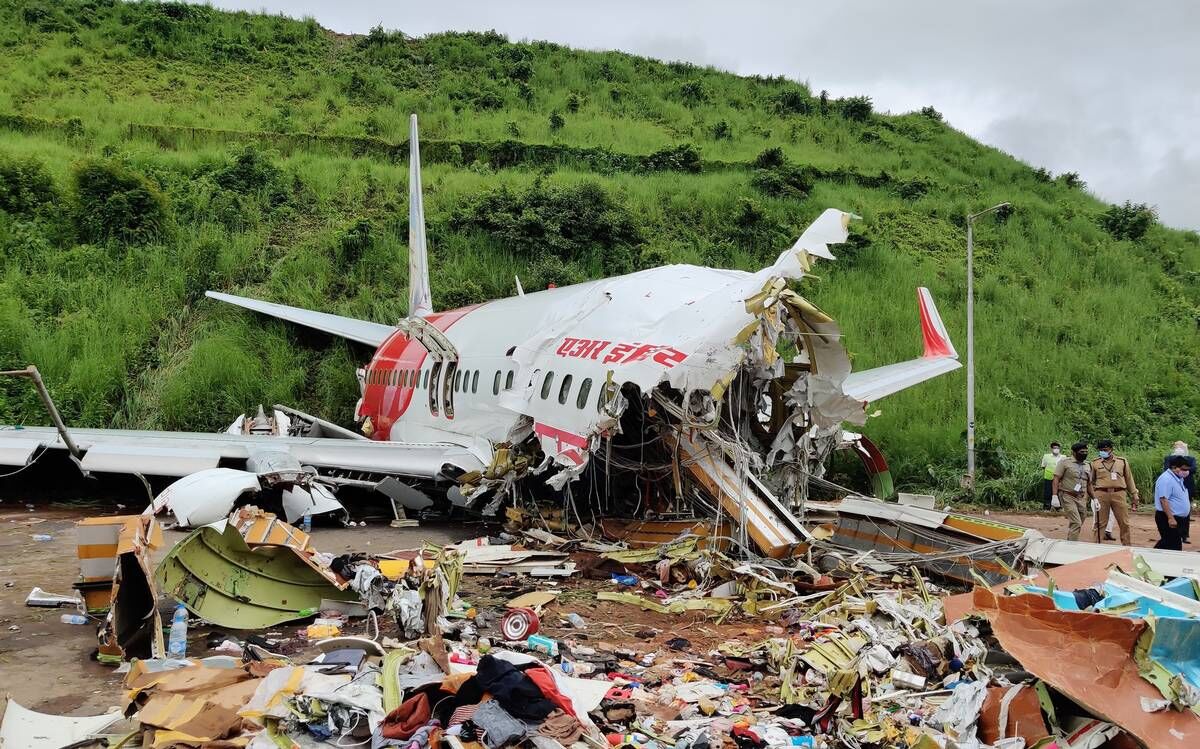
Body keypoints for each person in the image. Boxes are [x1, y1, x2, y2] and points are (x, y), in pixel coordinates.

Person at [1089, 439, 1139, 545]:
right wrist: (1092, 496)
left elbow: (1129, 479)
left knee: (1124, 522)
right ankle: (1096, 545)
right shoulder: (1095, 463)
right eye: (1101, 450)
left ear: (1111, 449)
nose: (1103, 452)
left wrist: (1134, 494)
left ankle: (1126, 546)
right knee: (1100, 523)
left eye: (1105, 449)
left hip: (1119, 493)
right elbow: (1090, 481)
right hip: (1101, 493)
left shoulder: (1122, 462)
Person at [1052, 442, 1095, 541]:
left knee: (1081, 519)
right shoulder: (1065, 462)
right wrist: (1054, 496)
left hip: (1082, 497)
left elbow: (1089, 483)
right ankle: (1071, 545)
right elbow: (1056, 478)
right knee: (1076, 522)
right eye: (1081, 452)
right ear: (1074, 452)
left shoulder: (1088, 465)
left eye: (1086, 451)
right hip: (1068, 495)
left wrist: (1094, 498)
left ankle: (1070, 539)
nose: (1084, 453)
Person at [1153, 456, 1192, 550]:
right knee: (1173, 544)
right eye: (1184, 469)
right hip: (1167, 517)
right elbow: (1163, 499)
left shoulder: (1178, 478)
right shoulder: (1166, 479)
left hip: (1178, 518)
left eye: (1187, 469)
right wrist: (1170, 518)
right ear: (1174, 467)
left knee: (1168, 542)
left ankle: (1151, 556)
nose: (1186, 472)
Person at [1163, 441, 1196, 544]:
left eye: (1182, 446)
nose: (1179, 448)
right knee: (1172, 510)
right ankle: (1171, 532)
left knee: (1186, 511)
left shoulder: (1190, 459)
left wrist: (1182, 467)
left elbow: (1194, 469)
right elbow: (1166, 468)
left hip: (1186, 487)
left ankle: (1184, 535)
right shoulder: (1169, 458)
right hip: (1173, 488)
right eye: (1177, 446)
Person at [1040, 442, 1064, 510]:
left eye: (1057, 448)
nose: (1056, 449)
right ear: (1051, 449)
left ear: (1060, 449)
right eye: (1054, 448)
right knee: (1048, 493)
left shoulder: (1063, 457)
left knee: (1059, 493)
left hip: (1060, 478)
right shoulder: (1046, 456)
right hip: (1049, 478)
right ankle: (1047, 507)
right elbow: (1043, 466)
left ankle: (1058, 508)